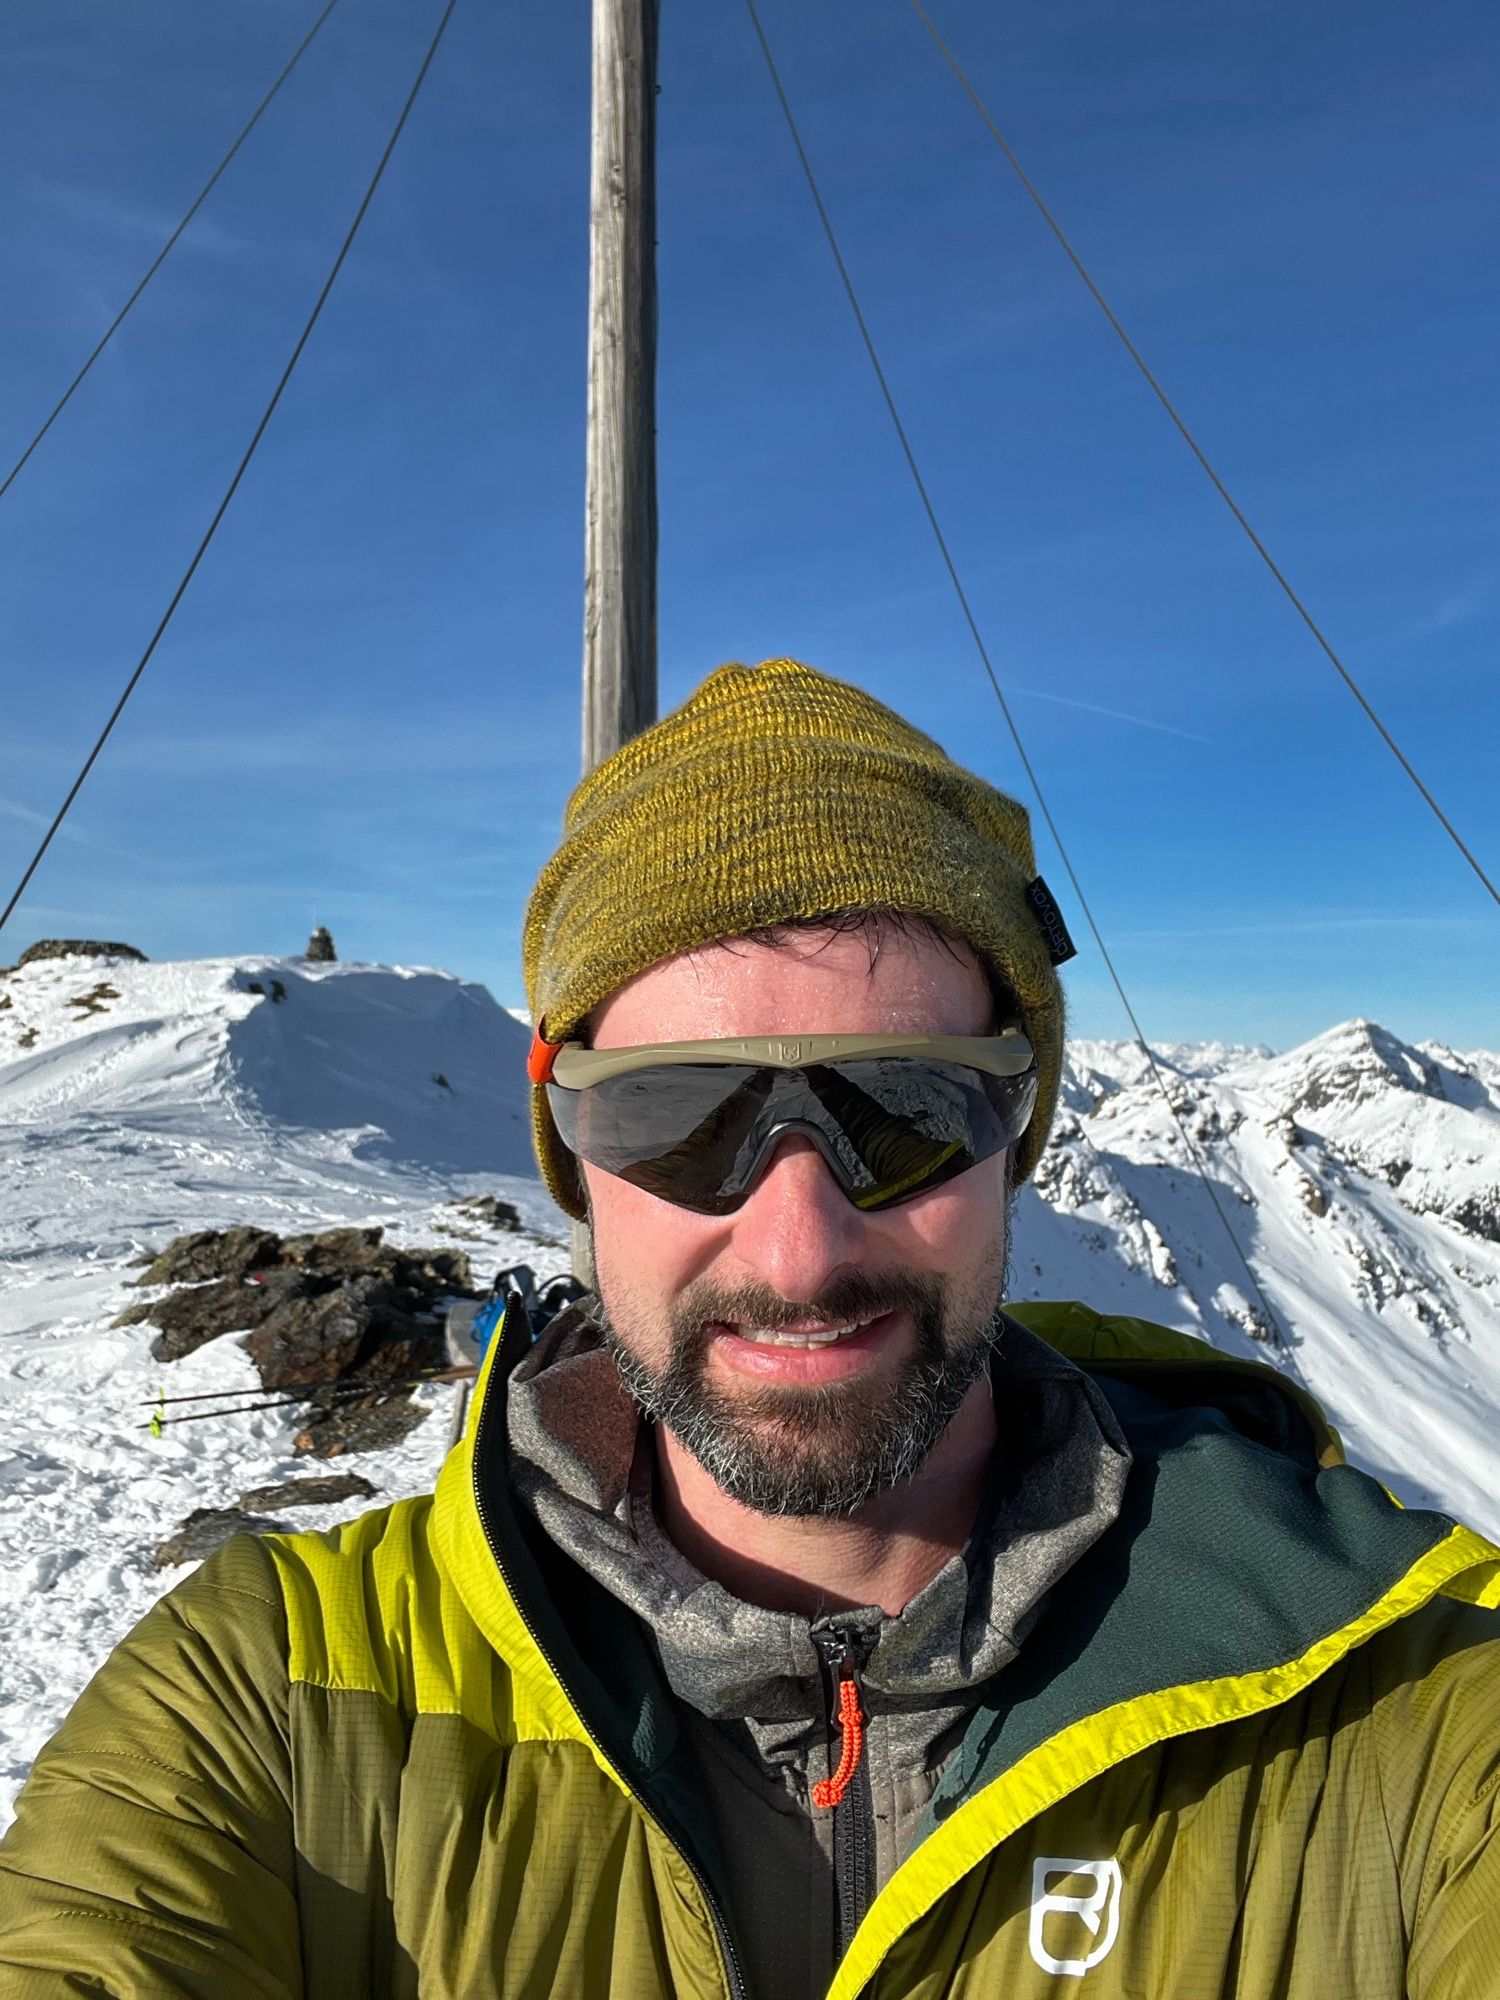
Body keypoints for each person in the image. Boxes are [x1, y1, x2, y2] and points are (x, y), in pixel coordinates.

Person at [1, 657, 1497, 1999]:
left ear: (1013, 1136)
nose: (798, 1245)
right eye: (676, 1113)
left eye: (902, 1110)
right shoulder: (274, 1700)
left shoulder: (1415, 1692)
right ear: (570, 1151)